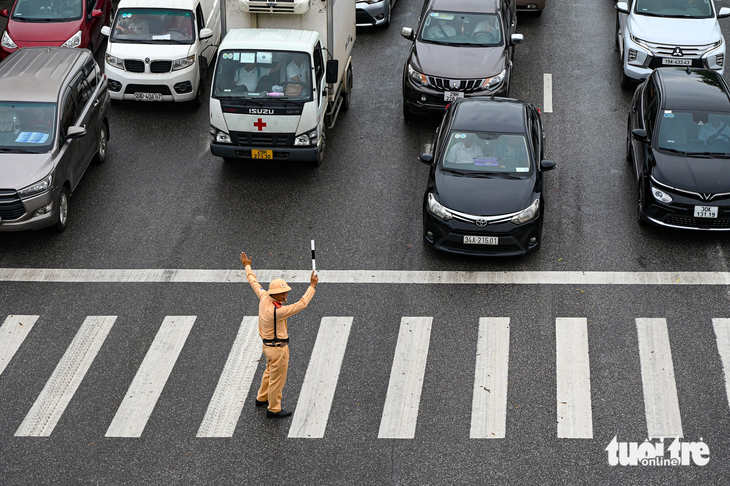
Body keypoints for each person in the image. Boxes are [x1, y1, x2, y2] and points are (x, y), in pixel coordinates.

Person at [240, 251, 319, 419]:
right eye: (282, 293)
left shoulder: (264, 296)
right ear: (274, 294)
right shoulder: (276, 311)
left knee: (269, 372)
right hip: (278, 349)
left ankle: (261, 397)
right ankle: (274, 409)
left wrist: (248, 266)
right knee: (278, 380)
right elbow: (301, 304)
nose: (286, 295)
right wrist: (312, 287)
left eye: (286, 292)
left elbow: (254, 283)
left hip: (267, 347)